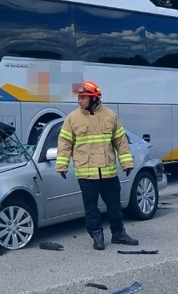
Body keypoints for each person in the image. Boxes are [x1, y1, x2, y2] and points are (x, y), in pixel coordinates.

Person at [55, 80, 139, 251]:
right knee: (91, 208)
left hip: (108, 172)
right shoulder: (72, 118)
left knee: (114, 205)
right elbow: (64, 143)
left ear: (94, 98)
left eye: (83, 97)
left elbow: (120, 142)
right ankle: (97, 235)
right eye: (78, 97)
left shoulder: (110, 116)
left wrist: (127, 163)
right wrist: (61, 165)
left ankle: (118, 234)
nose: (79, 101)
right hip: (86, 174)